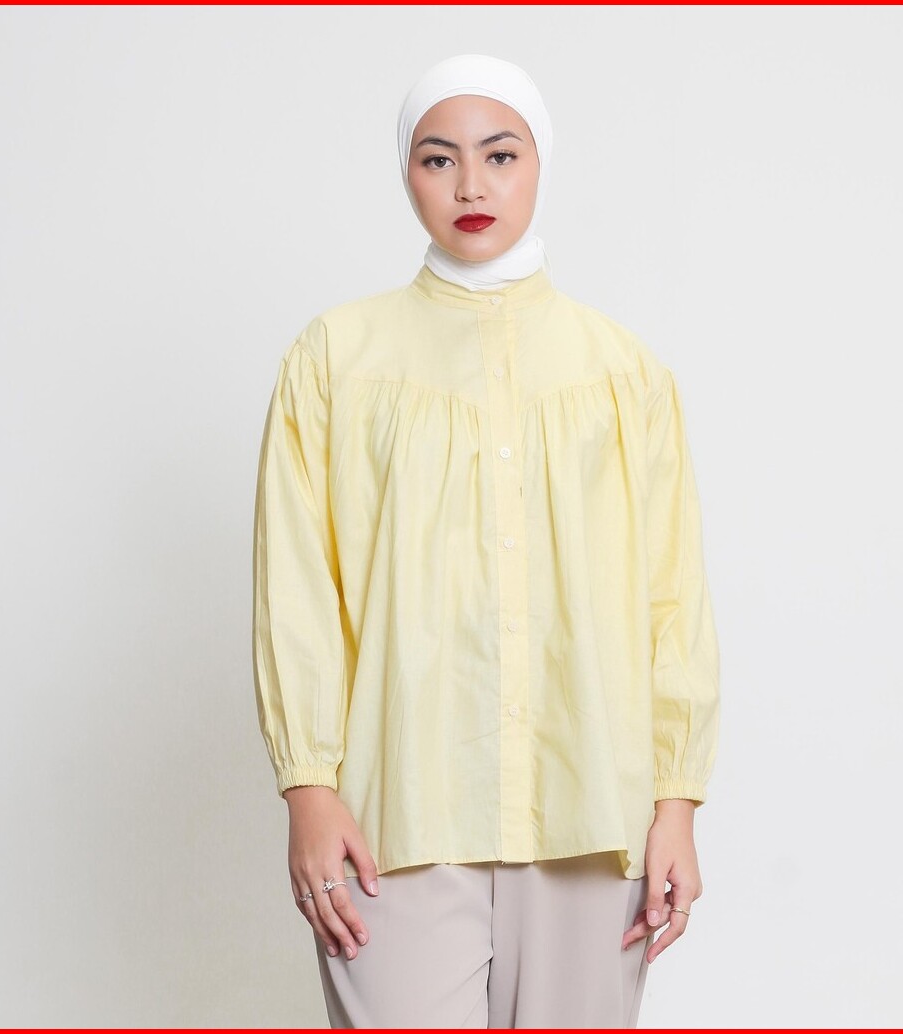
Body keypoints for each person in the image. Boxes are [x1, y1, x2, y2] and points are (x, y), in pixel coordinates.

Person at [252, 53, 721, 1029]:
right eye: (439, 158)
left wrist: (676, 800)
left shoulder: (623, 372)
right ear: (406, 173)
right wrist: (308, 786)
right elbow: (296, 588)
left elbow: (669, 598)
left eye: (499, 155)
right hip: (396, 812)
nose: (471, 185)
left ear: (538, 162)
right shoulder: (335, 359)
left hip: (591, 811)